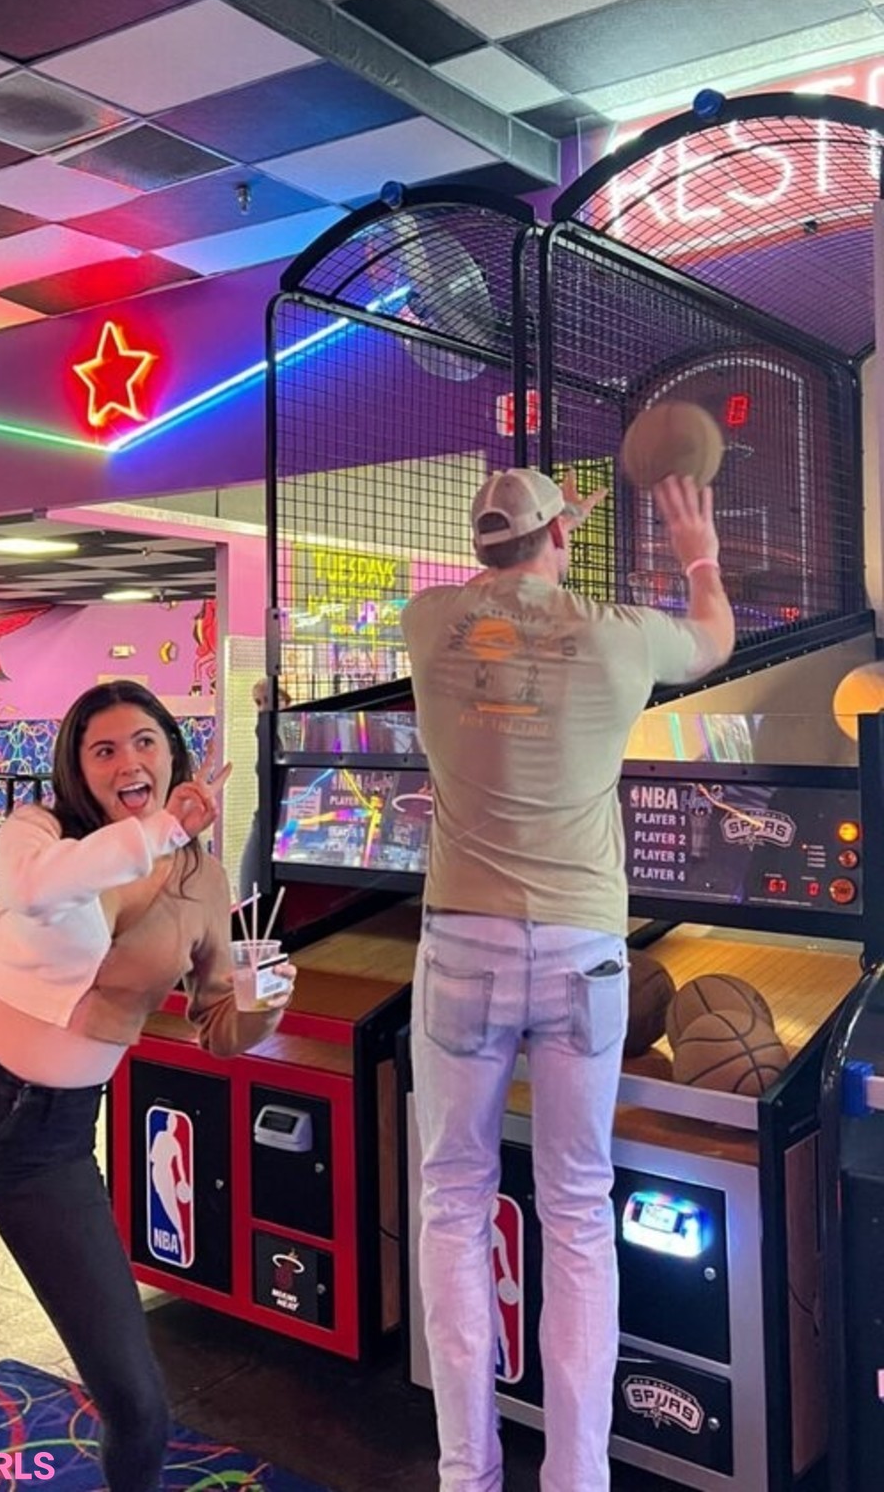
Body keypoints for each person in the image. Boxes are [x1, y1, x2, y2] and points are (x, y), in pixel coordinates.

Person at [0, 680, 296, 1492]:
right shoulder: (38, 834)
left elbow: (218, 1026)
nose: (127, 761)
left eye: (144, 741)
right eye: (103, 749)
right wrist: (163, 827)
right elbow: (39, 892)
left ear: (171, 751)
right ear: (78, 766)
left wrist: (262, 999)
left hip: (51, 1145)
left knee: (138, 1404)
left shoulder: (203, 882)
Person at [402, 469, 734, 1492]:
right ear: (560, 538)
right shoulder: (617, 635)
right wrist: (697, 550)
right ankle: (577, 1477)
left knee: (454, 1201)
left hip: (461, 944)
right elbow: (715, 637)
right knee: (579, 1211)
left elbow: (499, 596)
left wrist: (537, 541)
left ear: (483, 545)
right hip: (582, 950)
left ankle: (468, 1473)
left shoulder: (428, 622)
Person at [237, 678, 292, 905]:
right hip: (266, 818)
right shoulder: (265, 733)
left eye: (268, 700)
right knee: (249, 893)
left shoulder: (293, 734)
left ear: (286, 702)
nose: (262, 708)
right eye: (258, 702)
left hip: (288, 820)